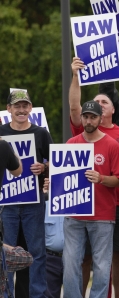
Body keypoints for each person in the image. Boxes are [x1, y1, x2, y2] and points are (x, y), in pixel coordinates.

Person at [69, 57, 119, 298]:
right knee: (81, 260)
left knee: (116, 258)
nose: (99, 105)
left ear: (112, 109)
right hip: (82, 209)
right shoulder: (81, 132)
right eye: (95, 103)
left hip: (118, 205)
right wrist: (75, 75)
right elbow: (74, 108)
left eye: (103, 102)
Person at [61, 100, 119, 298]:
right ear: (81, 118)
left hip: (103, 215)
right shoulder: (71, 144)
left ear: (100, 118)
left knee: (103, 265)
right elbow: (63, 179)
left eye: (93, 117)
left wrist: (101, 178)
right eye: (85, 116)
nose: (88, 120)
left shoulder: (112, 145)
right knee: (70, 263)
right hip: (74, 215)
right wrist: (52, 185)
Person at [0, 90, 52, 297]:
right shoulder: (1, 133)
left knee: (37, 253)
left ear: (30, 108)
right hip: (7, 203)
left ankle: (37, 295)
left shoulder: (41, 133)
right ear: (9, 109)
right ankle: (6, 294)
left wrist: (44, 168)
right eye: (17, 106)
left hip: (34, 201)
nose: (21, 110)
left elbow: (55, 163)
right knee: (6, 255)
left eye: (25, 106)